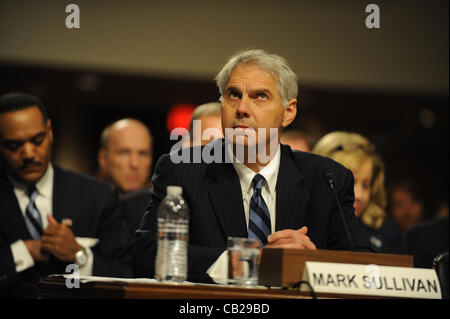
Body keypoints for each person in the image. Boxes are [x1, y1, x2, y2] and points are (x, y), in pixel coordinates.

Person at [132, 49, 370, 284]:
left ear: (288, 112)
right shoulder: (183, 169)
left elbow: (365, 267)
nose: (242, 108)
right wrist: (241, 262)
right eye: (233, 95)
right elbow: (145, 253)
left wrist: (311, 263)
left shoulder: (328, 178)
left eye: (260, 96)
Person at [0, 92, 132, 298]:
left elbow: (126, 274)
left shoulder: (98, 195)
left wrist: (79, 255)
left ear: (50, 132)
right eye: (13, 145)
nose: (28, 154)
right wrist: (22, 252)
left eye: (37, 140)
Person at [312, 131, 402, 253]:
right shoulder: (300, 227)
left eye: (366, 185)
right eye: (350, 182)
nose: (359, 195)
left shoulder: (386, 234)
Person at [97, 118, 153, 197]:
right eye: (124, 153)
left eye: (142, 154)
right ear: (103, 159)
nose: (134, 164)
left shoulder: (166, 207)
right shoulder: (81, 206)